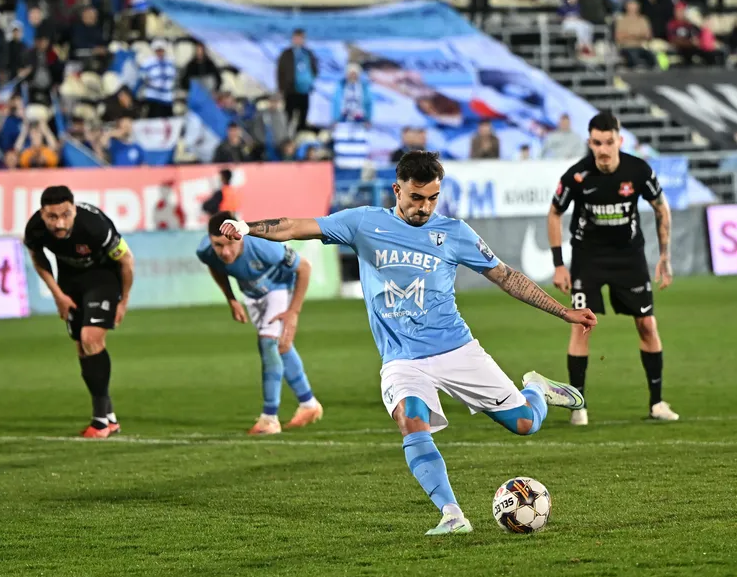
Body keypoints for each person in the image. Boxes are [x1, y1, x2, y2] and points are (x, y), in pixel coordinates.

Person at [218, 151, 595, 535]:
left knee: (525, 424)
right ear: (397, 190)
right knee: (410, 418)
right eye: (416, 197)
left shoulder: (454, 232)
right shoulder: (364, 223)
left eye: (433, 198)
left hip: (456, 349)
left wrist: (563, 312)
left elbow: (507, 277)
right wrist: (247, 227)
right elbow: (296, 226)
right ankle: (452, 514)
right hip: (402, 358)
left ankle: (536, 389)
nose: (425, 207)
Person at [549, 111, 678, 426]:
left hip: (628, 258)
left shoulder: (639, 170)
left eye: (609, 142)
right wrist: (559, 264)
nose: (603, 149)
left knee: (647, 324)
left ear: (619, 140)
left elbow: (661, 208)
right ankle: (578, 405)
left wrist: (664, 256)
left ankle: (657, 403)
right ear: (590, 142)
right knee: (581, 325)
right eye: (597, 143)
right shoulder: (577, 176)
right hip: (588, 258)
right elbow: (554, 213)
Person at [24, 186, 135, 438]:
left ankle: (100, 421)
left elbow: (126, 260)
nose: (60, 223)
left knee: (90, 338)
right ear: (42, 214)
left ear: (74, 210)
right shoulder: (35, 229)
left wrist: (124, 300)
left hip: (104, 277)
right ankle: (110, 418)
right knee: (83, 348)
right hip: (70, 281)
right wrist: (58, 295)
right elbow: (38, 258)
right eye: (52, 217)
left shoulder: (95, 226)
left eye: (66, 215)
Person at [199, 211, 324, 435]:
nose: (225, 252)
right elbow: (214, 265)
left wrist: (293, 312)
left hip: (280, 287)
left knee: (268, 342)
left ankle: (269, 418)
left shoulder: (264, 247)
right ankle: (309, 404)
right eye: (218, 245)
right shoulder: (206, 251)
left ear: (240, 236)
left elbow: (304, 267)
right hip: (253, 295)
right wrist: (231, 298)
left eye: (230, 243)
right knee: (281, 347)